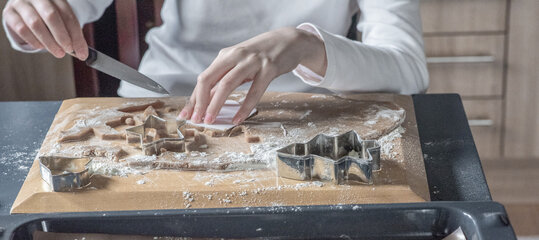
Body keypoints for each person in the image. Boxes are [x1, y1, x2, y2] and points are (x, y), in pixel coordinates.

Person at [2, 0, 428, 125]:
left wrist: (306, 45)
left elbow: (408, 71)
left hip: (302, 114)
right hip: (161, 98)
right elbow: (64, 5)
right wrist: (34, 15)